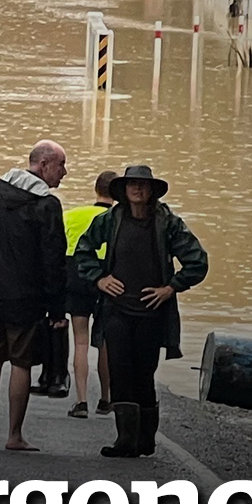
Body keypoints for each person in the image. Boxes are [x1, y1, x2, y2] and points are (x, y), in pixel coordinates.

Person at [73, 165, 209, 458]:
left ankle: (146, 440)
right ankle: (125, 441)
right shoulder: (110, 219)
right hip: (116, 311)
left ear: (151, 192)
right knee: (120, 373)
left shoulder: (168, 223)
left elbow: (198, 261)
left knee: (144, 376)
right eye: (132, 184)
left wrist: (171, 288)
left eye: (143, 185)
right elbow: (83, 250)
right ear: (123, 190)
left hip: (152, 312)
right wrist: (100, 278)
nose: (137, 189)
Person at [0, 140, 69, 452]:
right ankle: (14, 435)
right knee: (21, 363)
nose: (64, 172)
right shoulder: (47, 205)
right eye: (61, 165)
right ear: (44, 164)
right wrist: (56, 309)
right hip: (28, 298)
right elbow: (53, 261)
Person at [60, 170, 117, 418]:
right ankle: (106, 399)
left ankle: (81, 401)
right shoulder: (119, 219)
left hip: (77, 276)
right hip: (108, 279)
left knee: (80, 342)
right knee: (104, 342)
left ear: (96, 189)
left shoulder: (71, 216)